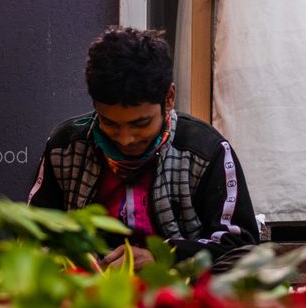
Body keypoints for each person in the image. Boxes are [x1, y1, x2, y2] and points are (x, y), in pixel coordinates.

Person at [29, 26, 259, 268]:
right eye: (109, 123)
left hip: (177, 292)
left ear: (169, 98)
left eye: (141, 123)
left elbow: (240, 244)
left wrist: (164, 255)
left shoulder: (206, 151)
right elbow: (34, 234)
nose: (125, 139)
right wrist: (72, 258)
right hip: (85, 292)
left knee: (243, 261)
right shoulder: (64, 147)